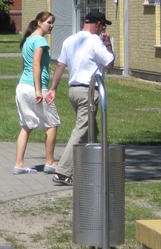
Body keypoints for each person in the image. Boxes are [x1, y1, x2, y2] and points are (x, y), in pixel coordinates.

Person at [46, 10, 114, 185]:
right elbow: (110, 63)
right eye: (103, 26)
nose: (103, 30)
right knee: (82, 130)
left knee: (93, 131)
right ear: (97, 24)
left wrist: (53, 88)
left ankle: (88, 167)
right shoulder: (95, 41)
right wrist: (108, 44)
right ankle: (63, 172)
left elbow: (60, 65)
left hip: (73, 90)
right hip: (88, 91)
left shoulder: (70, 40)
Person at [13, 11, 61, 175]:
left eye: (52, 22)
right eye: (48, 22)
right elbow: (35, 65)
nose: (51, 25)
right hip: (35, 88)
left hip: (22, 87)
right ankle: (49, 162)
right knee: (52, 124)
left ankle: (19, 164)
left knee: (26, 126)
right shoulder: (40, 40)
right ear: (39, 22)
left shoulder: (28, 40)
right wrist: (39, 90)